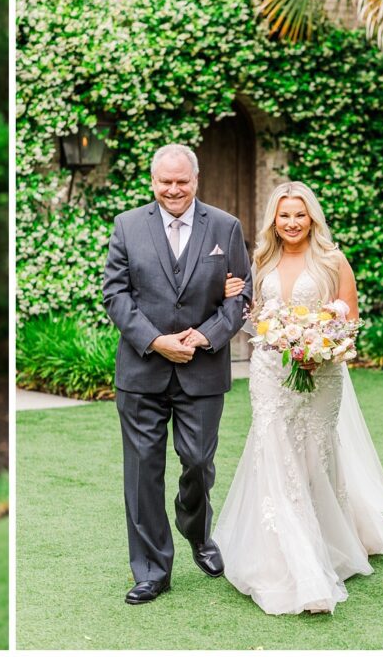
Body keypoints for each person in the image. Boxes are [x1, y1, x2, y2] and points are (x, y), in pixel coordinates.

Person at [212, 181, 383, 615]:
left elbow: (349, 319)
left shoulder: (332, 260)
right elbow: (251, 314)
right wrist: (237, 300)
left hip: (321, 374)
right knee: (274, 454)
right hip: (270, 372)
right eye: (284, 215)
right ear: (274, 219)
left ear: (312, 219)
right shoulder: (261, 259)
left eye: (299, 215)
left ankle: (330, 540)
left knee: (315, 456)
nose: (291, 223)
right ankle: (293, 564)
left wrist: (318, 350)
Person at [102, 143, 252, 605]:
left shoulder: (225, 228)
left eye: (181, 181)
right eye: (165, 182)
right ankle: (151, 569)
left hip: (202, 373)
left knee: (198, 463)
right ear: (153, 182)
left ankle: (198, 534)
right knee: (143, 470)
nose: (173, 189)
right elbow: (116, 294)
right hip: (142, 371)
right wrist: (155, 340)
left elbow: (240, 299)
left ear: (195, 181)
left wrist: (205, 337)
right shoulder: (127, 226)